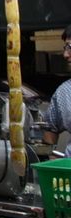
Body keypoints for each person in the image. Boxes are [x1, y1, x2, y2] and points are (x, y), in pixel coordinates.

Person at [43, 24, 71, 156]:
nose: (66, 55)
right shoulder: (64, 92)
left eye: (70, 48)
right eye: (65, 48)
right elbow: (50, 128)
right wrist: (51, 159)